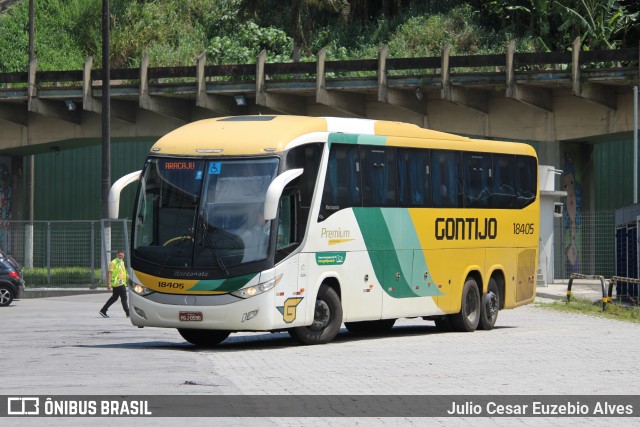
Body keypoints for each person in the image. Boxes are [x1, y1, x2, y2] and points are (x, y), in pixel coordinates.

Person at [99, 250, 129, 318]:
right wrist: (108, 284)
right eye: (120, 255)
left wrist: (126, 275)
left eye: (122, 255)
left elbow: (120, 271)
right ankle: (128, 312)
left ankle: (103, 310)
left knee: (114, 298)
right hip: (118, 283)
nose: (121, 256)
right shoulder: (113, 262)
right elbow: (109, 273)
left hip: (120, 282)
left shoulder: (122, 262)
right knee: (124, 298)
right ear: (117, 255)